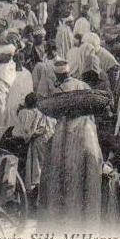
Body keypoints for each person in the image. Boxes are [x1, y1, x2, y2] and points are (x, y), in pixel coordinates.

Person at [42, 59, 104, 226]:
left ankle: (67, 215)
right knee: (85, 173)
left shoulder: (59, 91)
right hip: (87, 134)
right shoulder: (83, 87)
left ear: (57, 75)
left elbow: (54, 116)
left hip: (66, 135)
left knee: (68, 174)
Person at [10, 93, 56, 204]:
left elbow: (17, 132)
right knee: (45, 168)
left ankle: (36, 198)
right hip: (48, 140)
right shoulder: (46, 113)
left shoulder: (25, 113)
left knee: (37, 170)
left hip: (37, 143)